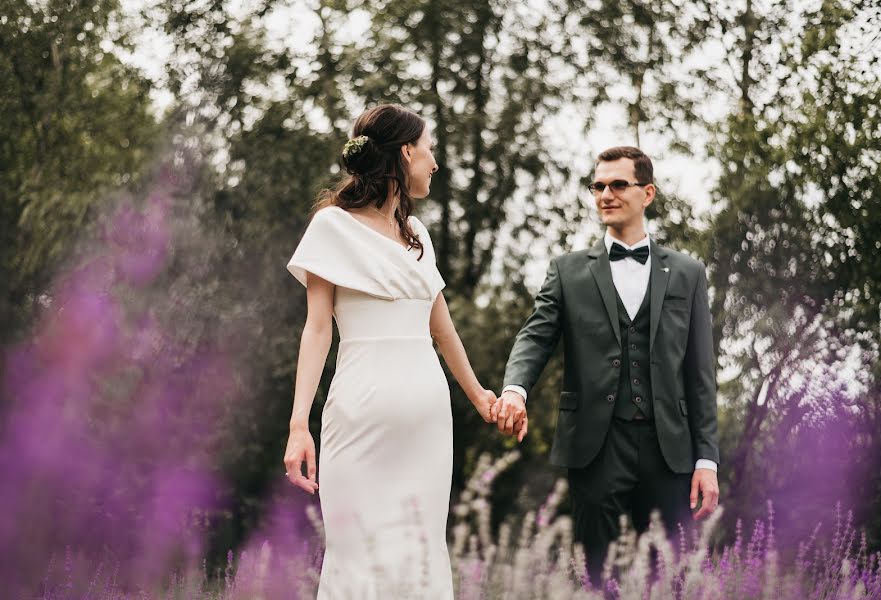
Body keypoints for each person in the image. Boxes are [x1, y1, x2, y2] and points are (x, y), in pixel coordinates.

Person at [282, 104, 496, 599]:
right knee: (357, 553)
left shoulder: (417, 236)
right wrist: (298, 426)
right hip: (361, 412)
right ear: (405, 152)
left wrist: (480, 395)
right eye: (429, 149)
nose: (435, 162)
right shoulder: (331, 226)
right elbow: (317, 331)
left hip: (426, 418)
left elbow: (442, 330)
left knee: (420, 554)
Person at [494, 146, 720, 580]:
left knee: (668, 579)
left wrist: (706, 460)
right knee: (595, 578)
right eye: (598, 186)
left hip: (669, 451)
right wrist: (515, 390)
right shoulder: (568, 270)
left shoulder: (688, 273)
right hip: (595, 448)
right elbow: (536, 336)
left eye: (618, 184)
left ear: (647, 193)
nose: (605, 194)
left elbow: (700, 374)